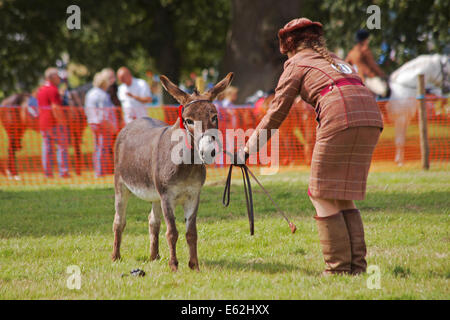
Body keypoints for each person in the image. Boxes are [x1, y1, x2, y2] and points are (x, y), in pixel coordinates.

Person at [239, 18, 383, 275]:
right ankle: (356, 268)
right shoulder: (337, 59)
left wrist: (248, 148)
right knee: (342, 194)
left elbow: (276, 113)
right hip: (371, 116)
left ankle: (338, 270)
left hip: (342, 114)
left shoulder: (296, 64)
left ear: (288, 45)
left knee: (320, 192)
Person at [36, 67, 70, 178]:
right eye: (57, 76)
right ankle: (63, 172)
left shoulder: (40, 90)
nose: (59, 78)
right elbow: (55, 108)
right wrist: (63, 122)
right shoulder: (53, 89)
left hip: (43, 123)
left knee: (47, 149)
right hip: (55, 123)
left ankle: (48, 173)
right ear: (52, 77)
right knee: (62, 148)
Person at [85, 71, 118, 177]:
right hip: (103, 124)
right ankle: (100, 172)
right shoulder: (103, 95)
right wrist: (112, 127)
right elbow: (104, 114)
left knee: (97, 148)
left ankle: (98, 171)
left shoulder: (90, 93)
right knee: (103, 148)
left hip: (93, 123)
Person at [345, 29, 388, 97]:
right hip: (369, 78)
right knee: (384, 91)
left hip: (358, 80)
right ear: (365, 39)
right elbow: (373, 65)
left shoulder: (352, 52)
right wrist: (383, 75)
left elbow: (346, 65)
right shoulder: (365, 50)